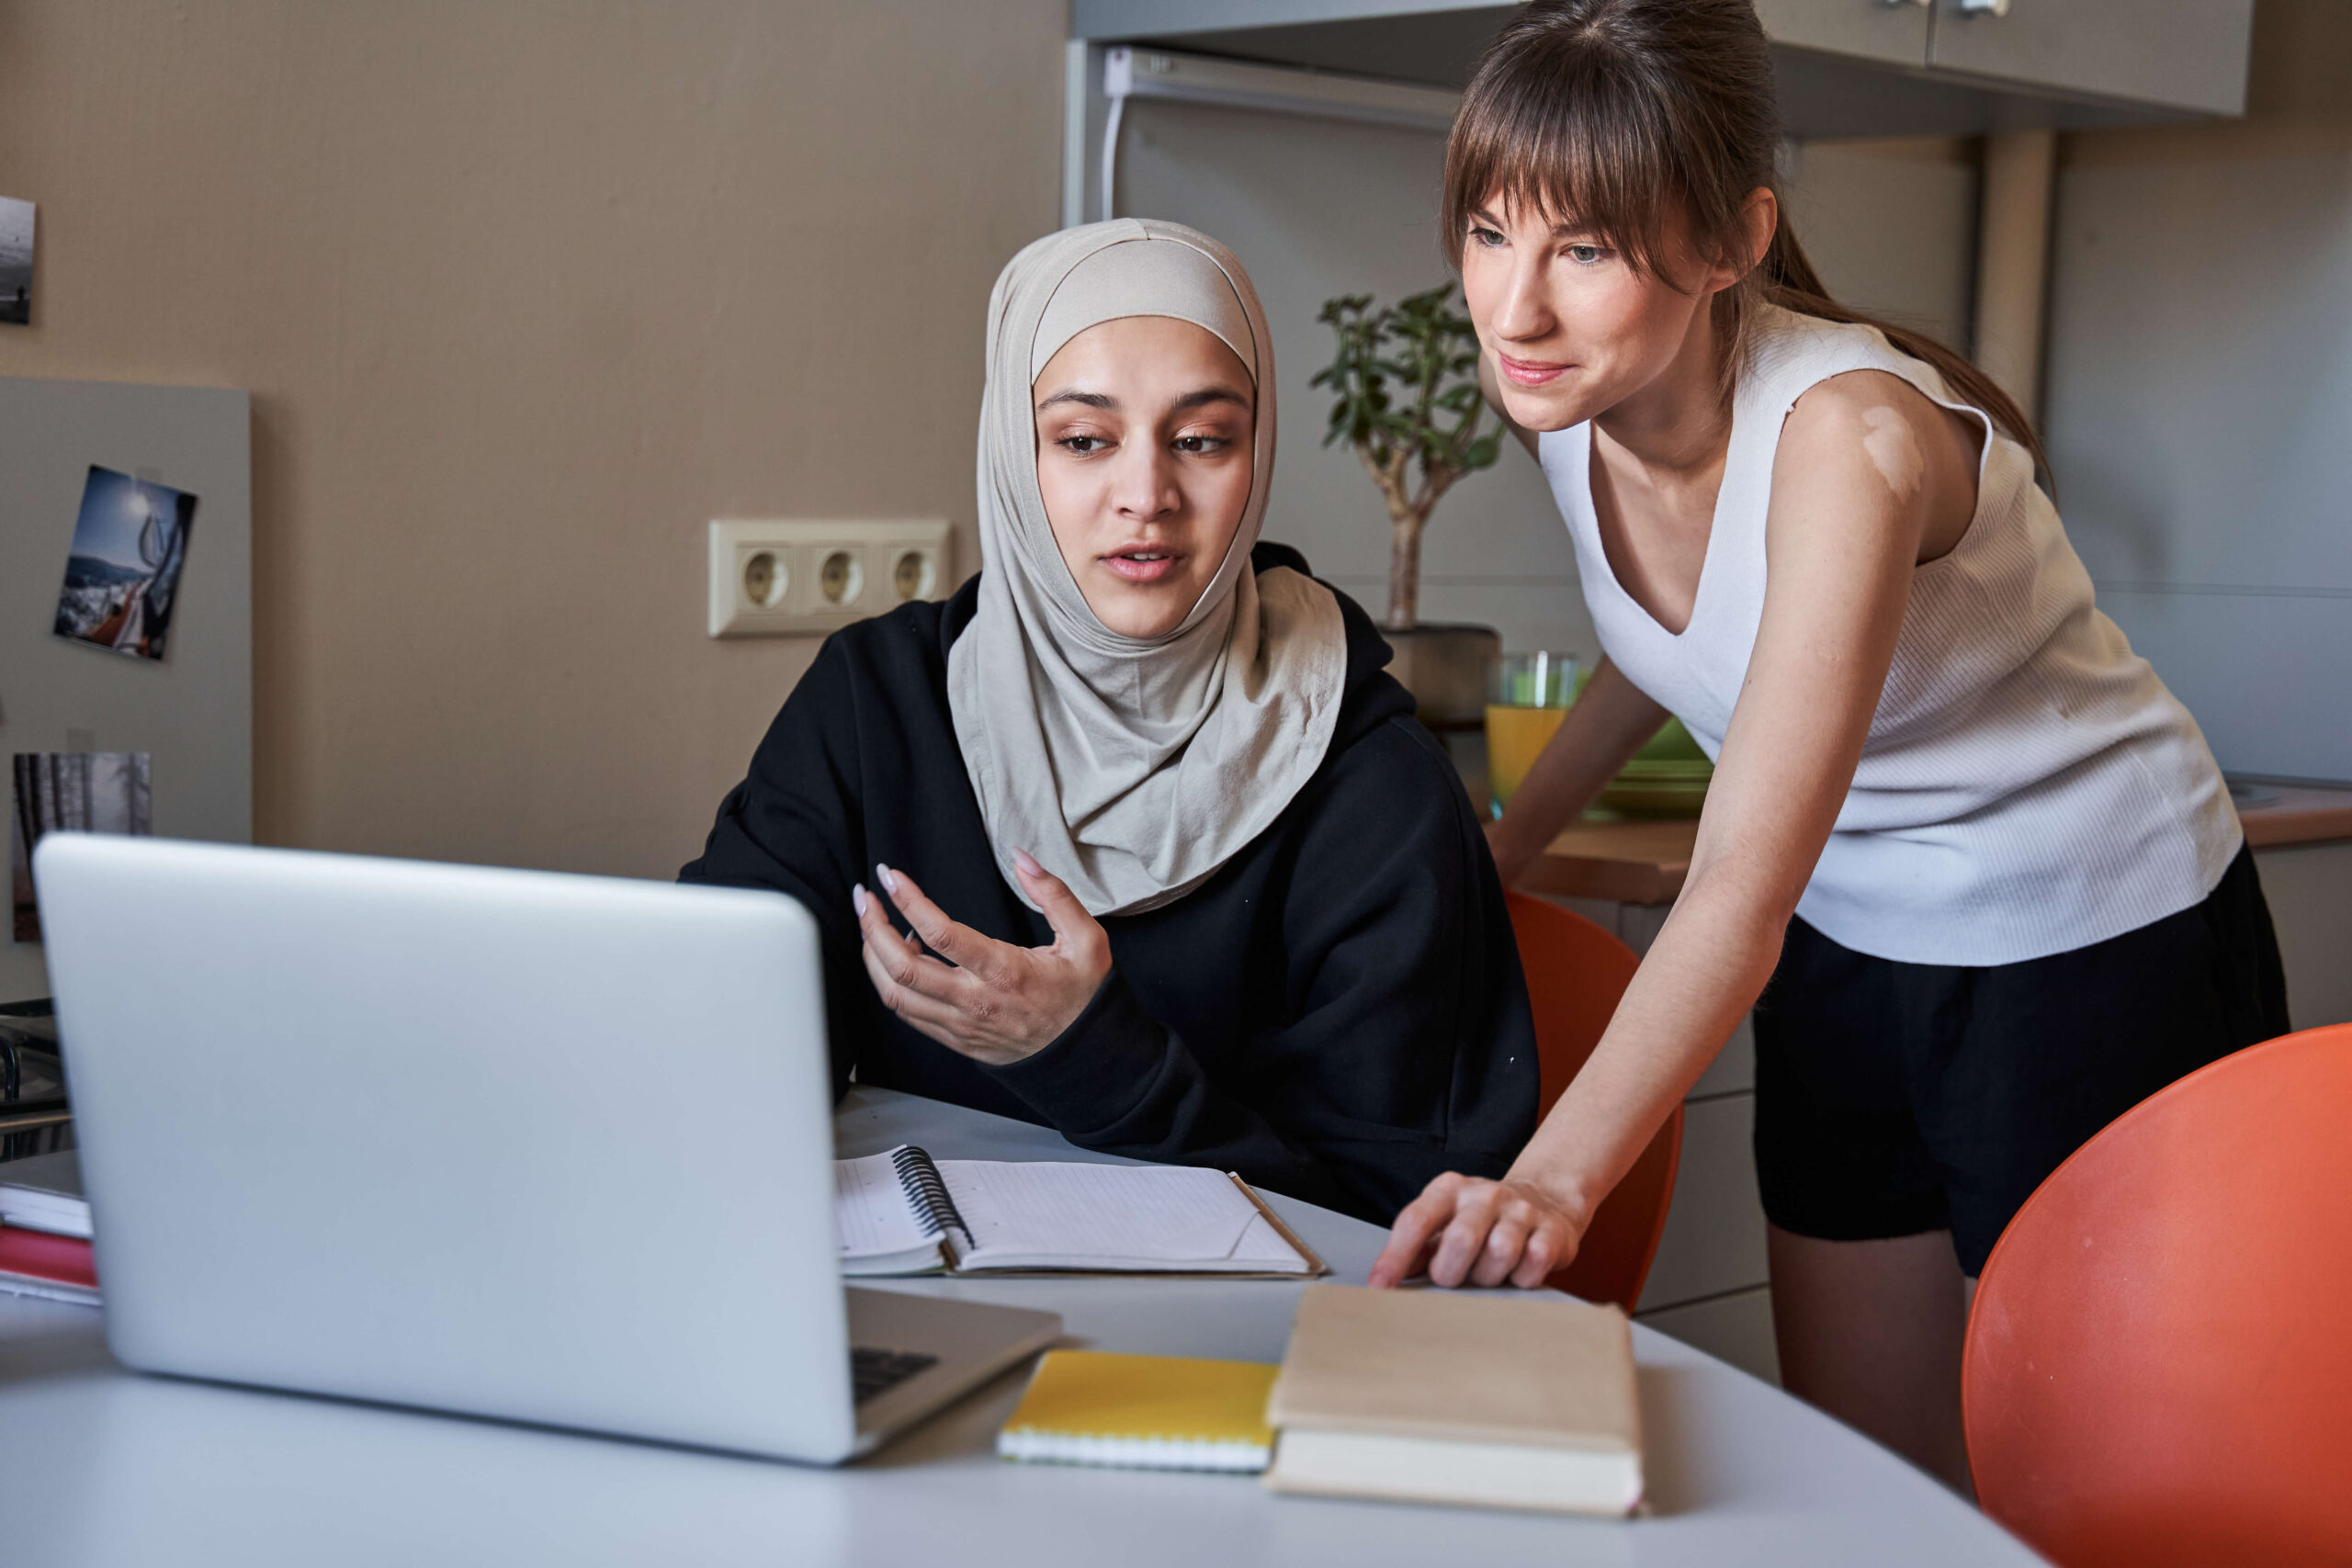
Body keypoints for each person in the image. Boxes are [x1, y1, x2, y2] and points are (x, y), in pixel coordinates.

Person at [1368, 0, 2288, 1488]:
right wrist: (1502, 854)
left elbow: (1735, 881)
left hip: (2092, 936)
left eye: (1587, 249)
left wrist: (1552, 1182)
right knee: (1874, 1467)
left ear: (1733, 239)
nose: (1514, 307)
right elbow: (1661, 643)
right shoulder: (1571, 411)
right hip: (1852, 938)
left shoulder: (1848, 439)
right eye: (1489, 231)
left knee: (2103, 1482)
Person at [682, 219, 1538, 1225]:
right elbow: (722, 1043)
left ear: (1256, 456)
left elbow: (1391, 1218)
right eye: (1084, 441)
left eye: (1202, 440)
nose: (1146, 497)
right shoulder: (880, 703)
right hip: (930, 1316)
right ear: (1014, 451)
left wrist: (1088, 1055)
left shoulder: (1370, 780)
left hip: (1242, 1357)